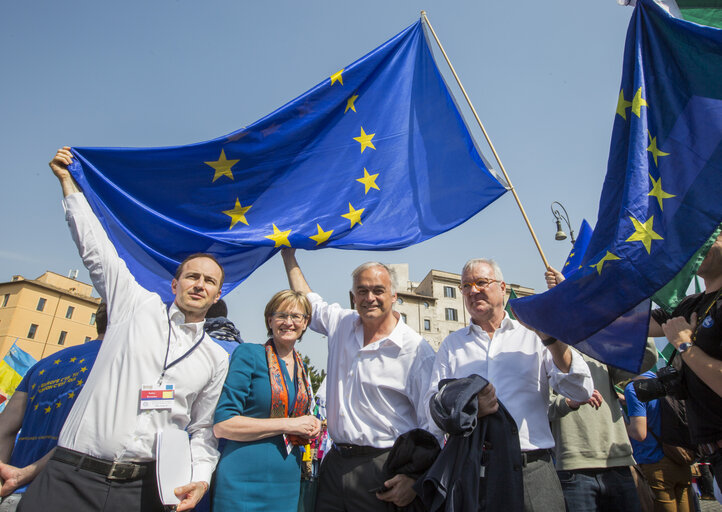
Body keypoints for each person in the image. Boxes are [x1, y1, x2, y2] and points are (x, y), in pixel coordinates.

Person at [19, 147, 230, 512]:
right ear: (174, 285)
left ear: (217, 295)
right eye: (192, 276)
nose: (199, 284)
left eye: (208, 281)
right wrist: (69, 184)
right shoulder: (134, 307)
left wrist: (201, 476)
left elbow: (202, 429)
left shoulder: (214, 357)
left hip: (142, 490)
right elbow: (96, 250)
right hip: (71, 478)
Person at [427, 258, 594, 512]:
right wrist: (469, 408)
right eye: (466, 286)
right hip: (474, 474)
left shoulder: (534, 334)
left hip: (532, 472)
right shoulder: (452, 346)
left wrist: (551, 339)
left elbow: (580, 390)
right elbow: (434, 409)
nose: (473, 291)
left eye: (481, 282)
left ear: (502, 287)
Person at [281, 248, 436, 511]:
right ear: (353, 297)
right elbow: (310, 300)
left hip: (384, 470)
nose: (370, 298)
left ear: (394, 296)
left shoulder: (416, 350)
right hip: (334, 467)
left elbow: (431, 425)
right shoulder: (342, 324)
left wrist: (415, 477)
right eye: (362, 291)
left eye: (378, 290)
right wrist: (288, 256)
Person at [546, 267, 658, 511]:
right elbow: (542, 408)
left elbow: (644, 358)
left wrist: (627, 314)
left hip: (617, 461)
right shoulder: (546, 350)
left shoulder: (598, 344)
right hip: (573, 468)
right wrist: (569, 402)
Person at [212, 290, 321, 511]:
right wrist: (289, 424)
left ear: (305, 323)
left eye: (296, 316)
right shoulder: (249, 354)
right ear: (269, 320)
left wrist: (313, 423)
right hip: (243, 480)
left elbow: (300, 418)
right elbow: (223, 425)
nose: (288, 322)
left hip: (287, 480)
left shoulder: (302, 367)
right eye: (281, 315)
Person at [0, 303, 106, 512]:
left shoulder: (45, 363)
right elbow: (80, 438)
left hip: (13, 493)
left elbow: (4, 428)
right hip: (63, 494)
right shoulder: (117, 363)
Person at [648, 233, 722, 491]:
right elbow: (625, 324)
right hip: (711, 452)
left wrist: (684, 345)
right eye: (694, 234)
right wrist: (572, 291)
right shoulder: (690, 305)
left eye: (710, 234)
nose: (699, 241)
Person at [625, 372, 692, 511]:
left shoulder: (634, 388)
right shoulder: (666, 381)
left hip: (654, 463)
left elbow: (639, 433)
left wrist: (621, 423)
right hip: (681, 457)